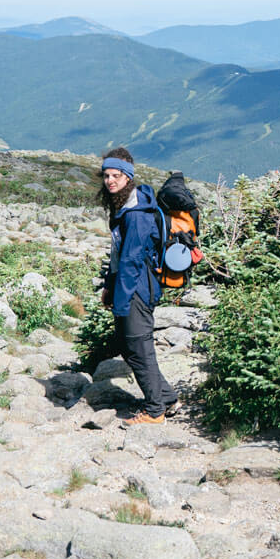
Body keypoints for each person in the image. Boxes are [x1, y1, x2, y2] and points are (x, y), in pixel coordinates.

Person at [94, 147, 179, 424]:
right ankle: (166, 397)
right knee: (130, 346)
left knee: (138, 348)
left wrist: (121, 301)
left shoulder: (136, 214)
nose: (110, 181)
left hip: (138, 289)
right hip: (129, 286)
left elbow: (130, 262)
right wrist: (109, 285)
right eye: (106, 175)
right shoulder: (125, 206)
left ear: (128, 176)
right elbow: (118, 256)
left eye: (116, 175)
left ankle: (155, 411)